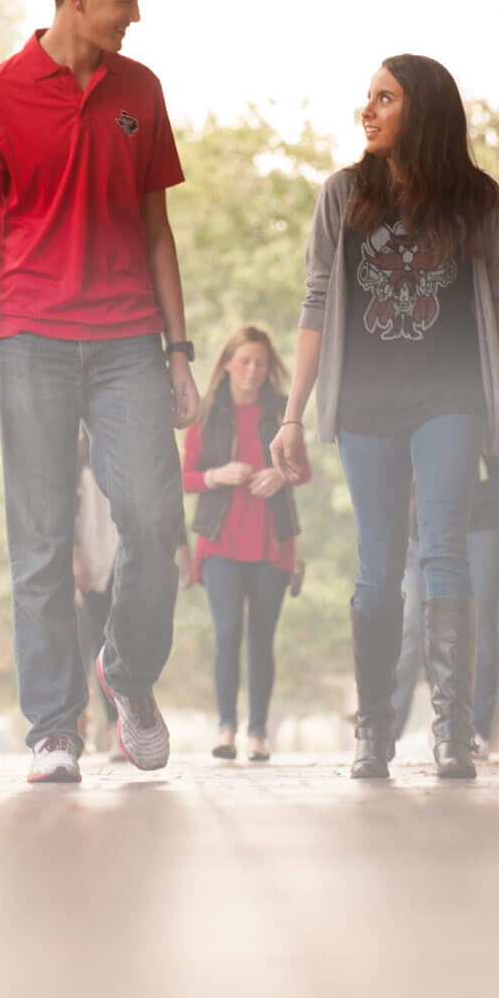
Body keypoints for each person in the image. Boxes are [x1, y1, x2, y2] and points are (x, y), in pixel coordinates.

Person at [0, 0, 200, 785]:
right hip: (29, 342)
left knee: (156, 516)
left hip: (131, 338)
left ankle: (126, 674)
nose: (136, 15)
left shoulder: (142, 91)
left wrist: (179, 351)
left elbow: (157, 231)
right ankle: (54, 728)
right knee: (43, 538)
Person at [271, 54, 499, 782]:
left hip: (448, 400)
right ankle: (375, 731)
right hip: (366, 405)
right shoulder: (342, 196)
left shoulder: (477, 200)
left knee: (446, 550)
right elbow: (318, 303)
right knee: (378, 561)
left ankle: (453, 733)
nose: (368, 110)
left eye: (384, 98)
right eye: (367, 97)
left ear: (420, 110)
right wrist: (292, 413)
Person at [177, 327, 312, 762]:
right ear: (229, 364)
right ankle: (226, 729)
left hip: (273, 540)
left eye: (260, 363)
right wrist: (217, 476)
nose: (252, 370)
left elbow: (302, 469)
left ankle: (257, 733)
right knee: (227, 632)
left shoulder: (282, 413)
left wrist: (281, 475)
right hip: (221, 541)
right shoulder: (208, 412)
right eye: (245, 361)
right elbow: (184, 477)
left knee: (261, 639)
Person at [390, 454, 499, 749]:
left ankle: (475, 728)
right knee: (427, 625)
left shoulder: (492, 409)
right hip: (428, 521)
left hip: (487, 516)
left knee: (481, 622)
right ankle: (446, 719)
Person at [72, 426, 119, 753]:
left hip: (118, 558)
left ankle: (119, 730)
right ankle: (75, 725)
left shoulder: (123, 448)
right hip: (84, 563)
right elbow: (61, 512)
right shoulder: (74, 455)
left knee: (112, 648)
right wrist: (73, 559)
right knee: (80, 649)